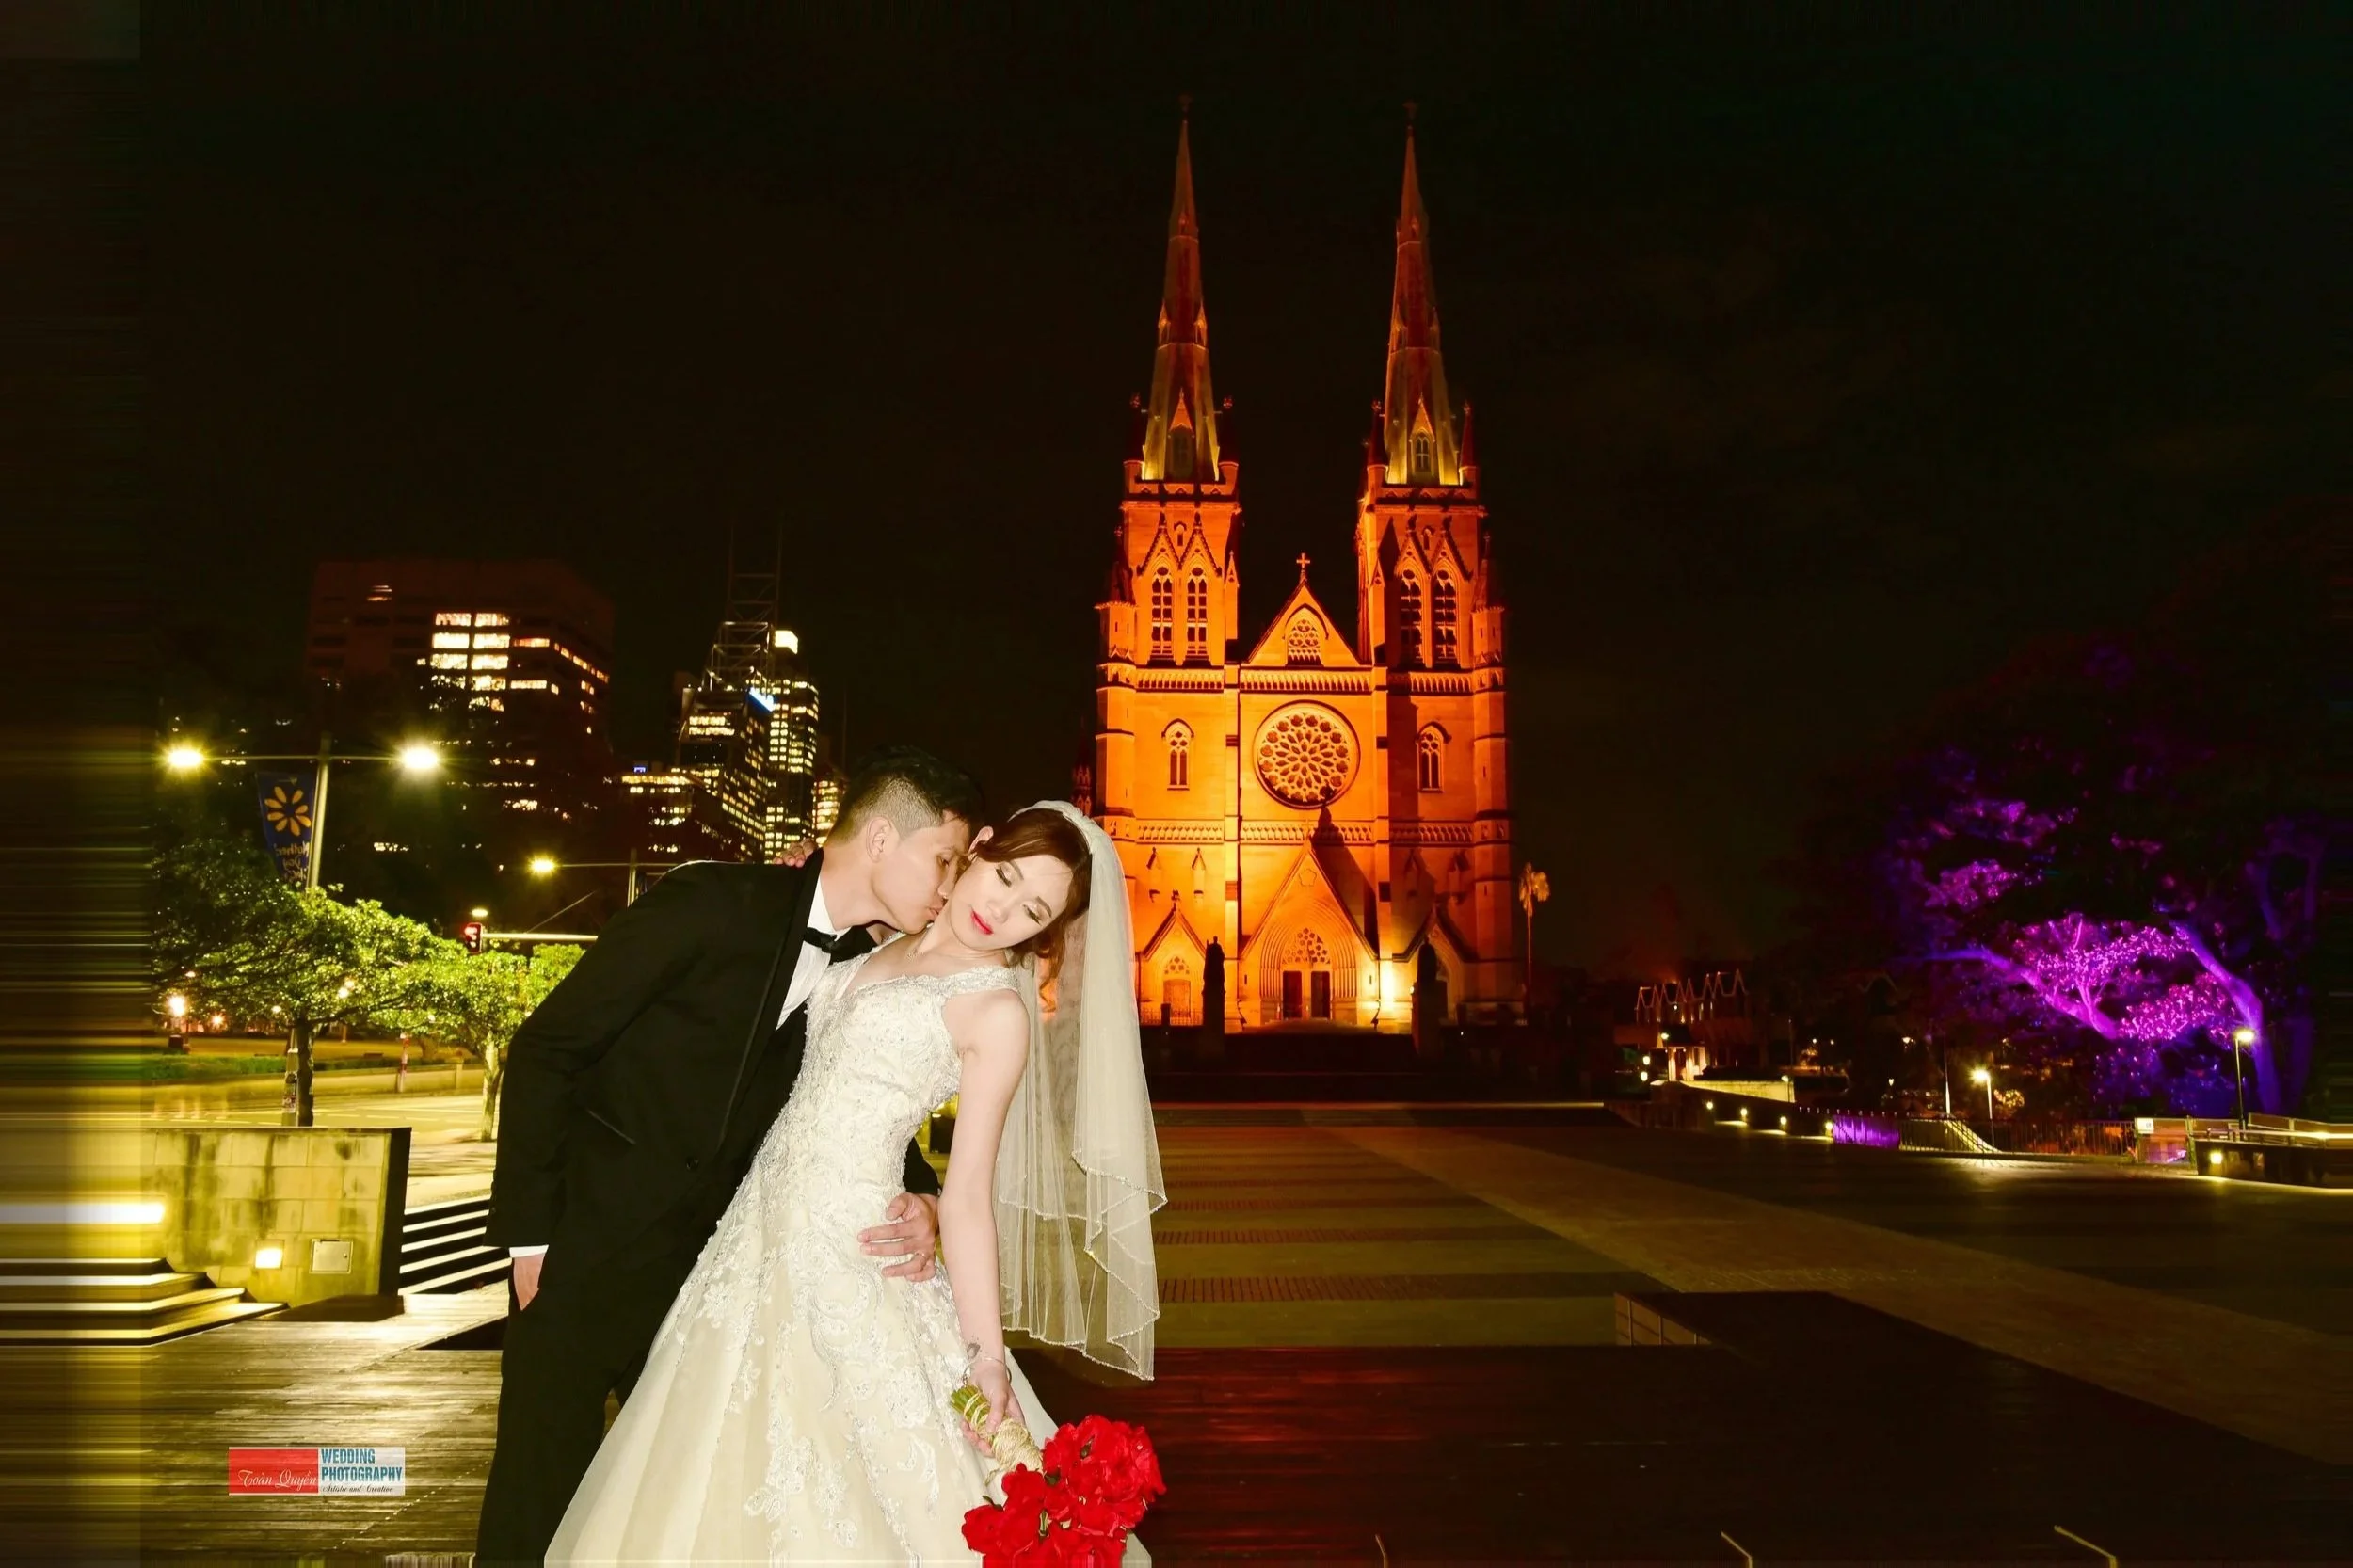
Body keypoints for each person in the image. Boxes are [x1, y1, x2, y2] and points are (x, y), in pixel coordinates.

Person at [549, 802, 1163, 1562]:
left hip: (856, 1255)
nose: (1000, 909)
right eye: (1003, 876)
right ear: (975, 850)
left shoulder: (994, 1009)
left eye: (1031, 909)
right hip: (751, 1240)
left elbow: (971, 1192)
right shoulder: (881, 942)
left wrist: (985, 1355)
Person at [475, 746, 986, 1565]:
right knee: (536, 1506)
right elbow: (547, 1050)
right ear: (883, 840)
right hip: (589, 1249)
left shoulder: (869, 969)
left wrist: (923, 1200)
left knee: (667, 1513)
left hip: (718, 1282)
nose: (951, 884)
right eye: (945, 860)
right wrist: (532, 1236)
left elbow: (846, 1107)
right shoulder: (711, 900)